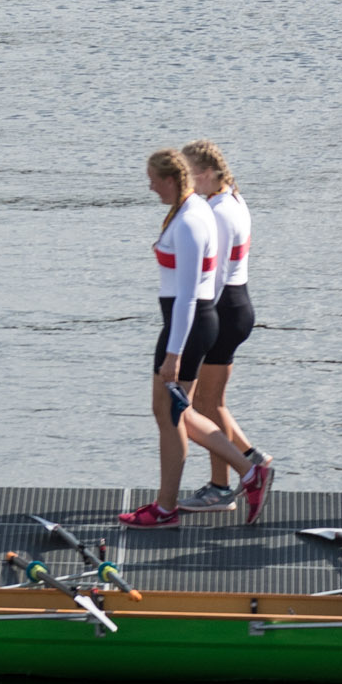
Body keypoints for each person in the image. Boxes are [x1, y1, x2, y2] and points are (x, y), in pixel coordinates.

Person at [121, 148, 273, 529]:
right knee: (172, 413)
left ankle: (181, 500)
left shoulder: (191, 220)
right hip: (185, 324)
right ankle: (181, 498)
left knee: (171, 413)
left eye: (154, 180)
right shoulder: (194, 210)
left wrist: (174, 353)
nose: (150, 187)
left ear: (171, 180)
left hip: (186, 325)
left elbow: (190, 293)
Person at [179, 140, 256, 510]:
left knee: (203, 405)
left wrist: (194, 320)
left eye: (187, 174)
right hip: (236, 307)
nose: (184, 183)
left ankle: (222, 487)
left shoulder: (219, 211)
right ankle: (254, 461)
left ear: (206, 173)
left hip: (224, 311)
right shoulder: (231, 200)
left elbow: (217, 275)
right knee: (213, 403)